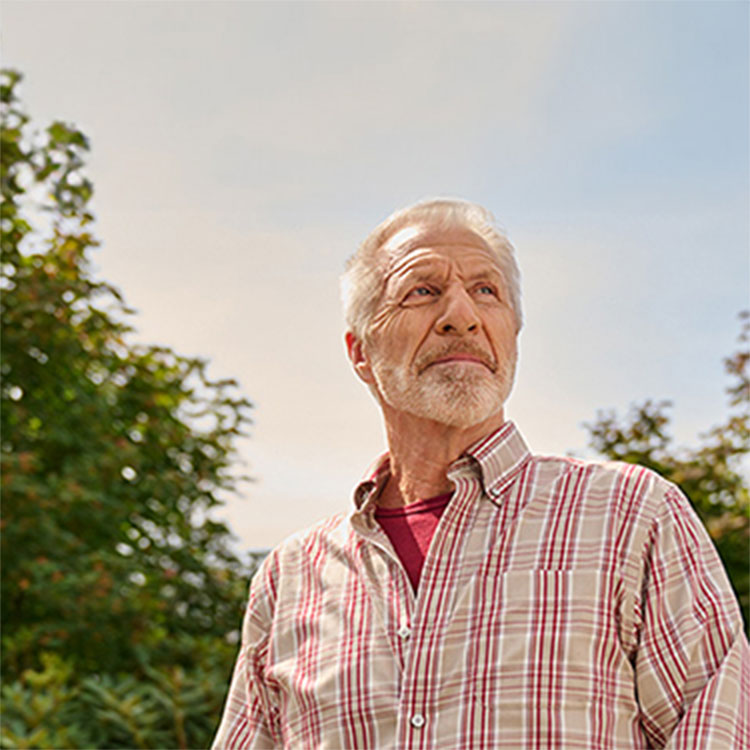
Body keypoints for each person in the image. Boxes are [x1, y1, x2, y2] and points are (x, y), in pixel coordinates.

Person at [213, 199, 749, 749]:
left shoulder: (633, 515)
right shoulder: (290, 577)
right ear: (361, 353)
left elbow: (720, 729)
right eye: (422, 291)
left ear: (512, 333)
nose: (461, 316)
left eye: (486, 291)